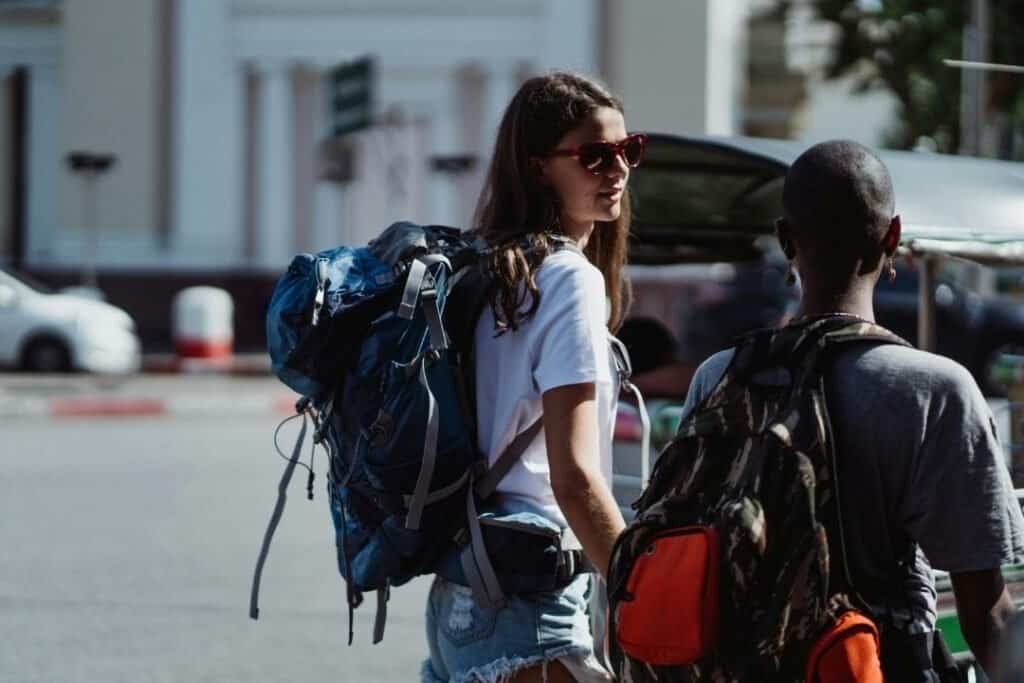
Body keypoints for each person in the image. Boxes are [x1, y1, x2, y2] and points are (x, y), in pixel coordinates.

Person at [677, 140, 1024, 679]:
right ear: (893, 238)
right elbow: (985, 613)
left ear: (786, 240)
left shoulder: (720, 376)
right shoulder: (935, 391)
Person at [421, 71, 643, 683]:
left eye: (629, 151)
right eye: (594, 155)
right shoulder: (571, 280)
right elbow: (574, 479)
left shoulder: (484, 266)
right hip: (530, 598)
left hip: (460, 590)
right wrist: (641, 593)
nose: (617, 169)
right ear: (540, 165)